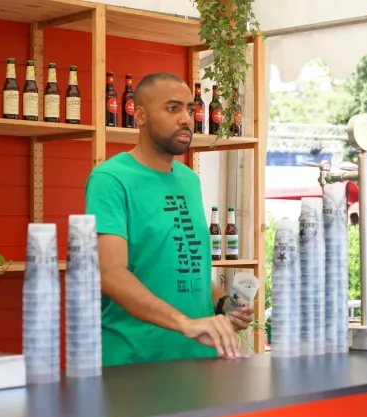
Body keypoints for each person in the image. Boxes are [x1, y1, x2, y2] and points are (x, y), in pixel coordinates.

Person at [85, 72, 254, 367]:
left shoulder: (189, 179)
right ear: (140, 115)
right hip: (134, 364)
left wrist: (222, 303)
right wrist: (185, 323)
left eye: (190, 109)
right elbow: (110, 275)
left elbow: (184, 270)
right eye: (173, 108)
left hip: (201, 362)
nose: (186, 119)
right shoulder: (110, 179)